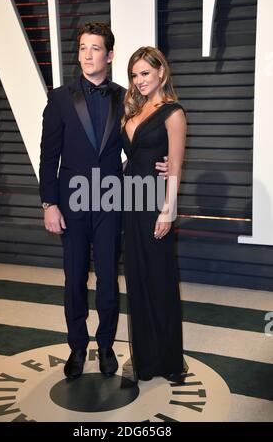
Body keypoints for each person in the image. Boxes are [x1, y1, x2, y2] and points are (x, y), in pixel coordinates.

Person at [39, 23, 168, 380]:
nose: (87, 55)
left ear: (109, 55)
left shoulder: (125, 97)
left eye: (95, 49)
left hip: (112, 201)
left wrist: (165, 161)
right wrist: (49, 203)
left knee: (109, 279)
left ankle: (107, 345)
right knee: (74, 278)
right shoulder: (61, 98)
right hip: (72, 201)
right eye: (82, 48)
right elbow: (48, 155)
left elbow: (137, 145)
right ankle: (77, 348)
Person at [122, 46, 188, 381]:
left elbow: (174, 166)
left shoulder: (173, 113)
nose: (139, 80)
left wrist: (168, 212)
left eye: (145, 73)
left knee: (160, 279)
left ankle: (169, 360)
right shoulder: (132, 108)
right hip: (129, 203)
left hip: (155, 203)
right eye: (134, 75)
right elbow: (132, 156)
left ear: (161, 72)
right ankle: (145, 359)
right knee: (136, 279)